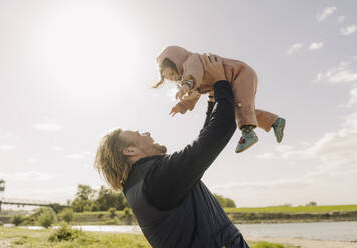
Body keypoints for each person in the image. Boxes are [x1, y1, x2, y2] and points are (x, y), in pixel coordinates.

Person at [94, 54, 249, 247]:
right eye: (138, 133)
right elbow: (221, 129)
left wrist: (211, 101)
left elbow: (202, 145)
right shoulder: (157, 178)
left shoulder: (142, 184)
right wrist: (220, 82)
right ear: (130, 150)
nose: (147, 133)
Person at [154, 45, 286, 153]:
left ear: (177, 61)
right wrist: (182, 105)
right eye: (168, 78)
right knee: (238, 111)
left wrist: (185, 86)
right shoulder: (189, 74)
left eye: (171, 73)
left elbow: (193, 74)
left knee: (241, 107)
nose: (172, 78)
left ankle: (248, 134)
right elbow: (194, 95)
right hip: (229, 81)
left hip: (239, 74)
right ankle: (274, 122)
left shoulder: (192, 61)